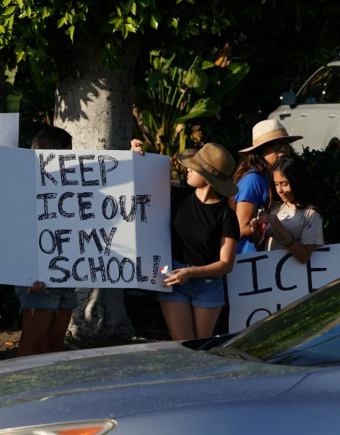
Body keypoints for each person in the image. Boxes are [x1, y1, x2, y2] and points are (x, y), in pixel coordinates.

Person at [133, 139, 239, 341]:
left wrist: (191, 273)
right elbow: (141, 185)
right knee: (182, 345)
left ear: (208, 178)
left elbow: (226, 264)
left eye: (194, 168)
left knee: (199, 346)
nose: (187, 170)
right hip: (173, 277)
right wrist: (135, 156)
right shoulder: (176, 197)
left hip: (207, 284)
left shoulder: (226, 215)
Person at [16, 126, 76, 356]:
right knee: (32, 347)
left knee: (54, 346)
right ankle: (23, 391)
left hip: (65, 276)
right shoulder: (23, 188)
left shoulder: (74, 185)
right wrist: (29, 274)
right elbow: (18, 235)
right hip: (37, 280)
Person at [232, 119, 300, 253]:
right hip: (252, 259)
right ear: (261, 150)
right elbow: (241, 227)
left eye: (286, 143)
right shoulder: (253, 180)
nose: (283, 149)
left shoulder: (274, 175)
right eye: (275, 145)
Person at [252, 155, 324, 264]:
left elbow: (304, 256)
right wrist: (256, 232)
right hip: (270, 272)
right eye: (276, 184)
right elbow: (262, 250)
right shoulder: (275, 208)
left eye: (284, 184)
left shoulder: (311, 215)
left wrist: (279, 227)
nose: (280, 190)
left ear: (297, 181)